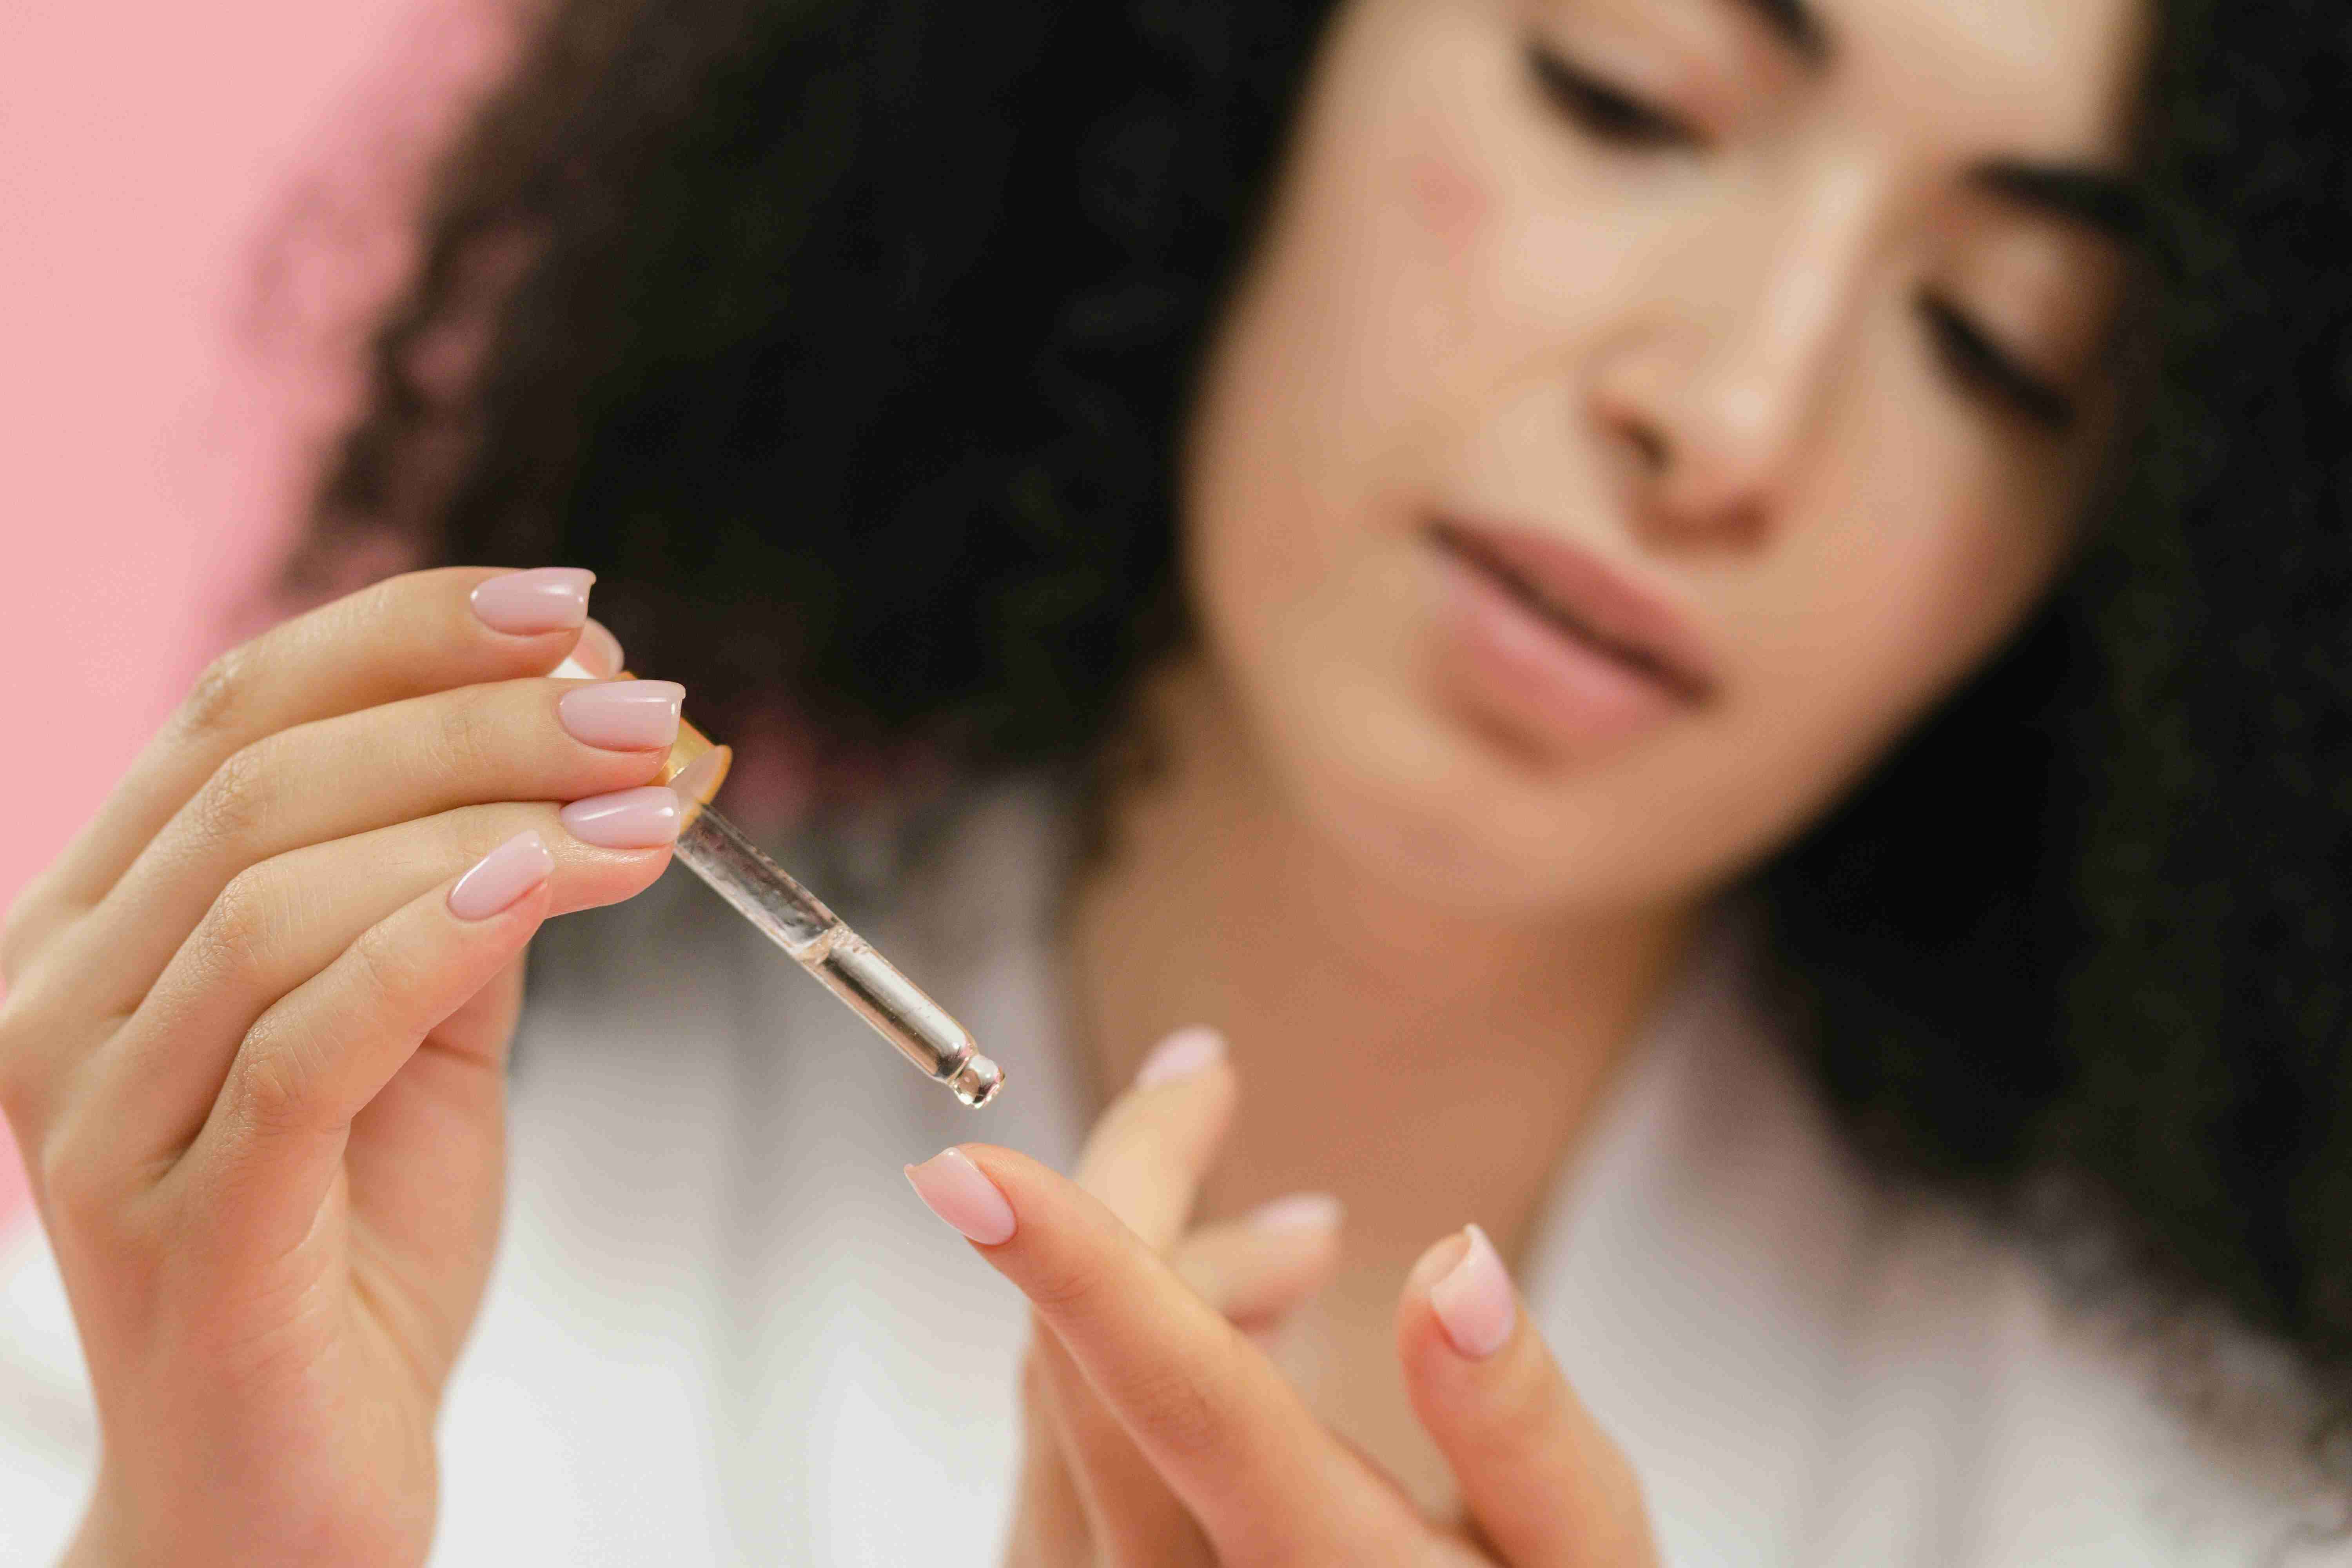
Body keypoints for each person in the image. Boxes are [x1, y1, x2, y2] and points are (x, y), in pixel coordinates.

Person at [5, 0, 2352, 1560]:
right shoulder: (307, 1255)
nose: (1730, 420)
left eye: (2003, 344)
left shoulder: (2196, 1502)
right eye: (1627, 94)